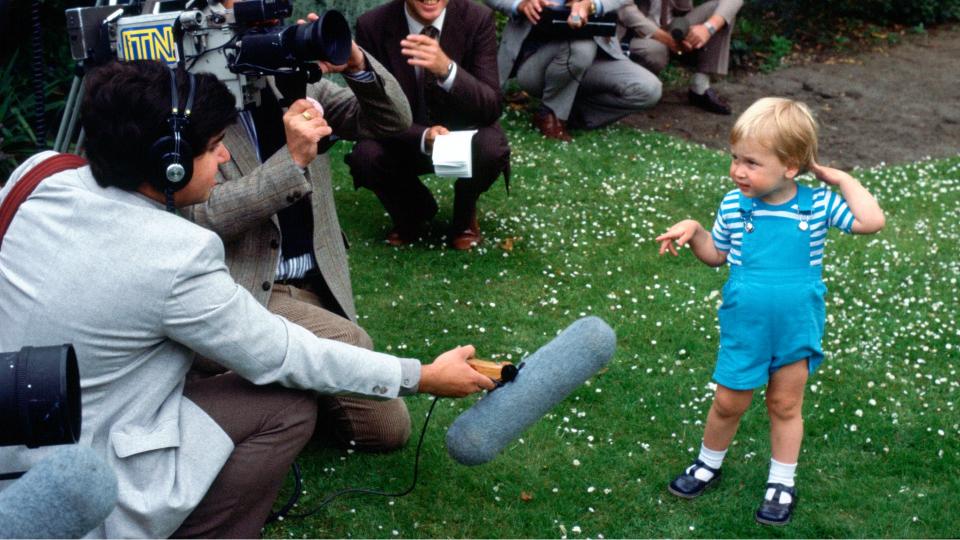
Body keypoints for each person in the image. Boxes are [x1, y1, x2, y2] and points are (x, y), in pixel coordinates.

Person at [0, 60, 495, 538]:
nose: (222, 158)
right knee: (287, 406)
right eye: (215, 146)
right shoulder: (177, 254)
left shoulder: (39, 174)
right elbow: (283, 354)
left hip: (13, 432)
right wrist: (422, 376)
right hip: (85, 481)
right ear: (169, 164)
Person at [184, 4, 417, 453]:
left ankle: (275, 382)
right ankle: (258, 385)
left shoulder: (289, 80)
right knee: (358, 362)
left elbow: (391, 121)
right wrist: (290, 163)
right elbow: (201, 216)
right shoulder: (190, 103)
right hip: (249, 289)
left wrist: (357, 64)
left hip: (317, 282)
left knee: (387, 429)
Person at [655, 97, 884, 525]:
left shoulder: (817, 206)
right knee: (728, 401)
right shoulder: (733, 205)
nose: (738, 170)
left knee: (784, 404)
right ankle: (708, 463)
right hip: (746, 324)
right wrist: (697, 230)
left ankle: (781, 480)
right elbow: (717, 256)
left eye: (752, 163)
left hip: (797, 325)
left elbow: (871, 221)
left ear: (791, 166)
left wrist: (843, 180)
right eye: (735, 158)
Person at [346, 0, 511, 250]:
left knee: (492, 146)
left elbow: (491, 106)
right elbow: (372, 111)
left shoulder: (477, 18)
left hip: (463, 136)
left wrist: (448, 70)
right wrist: (422, 136)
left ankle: (464, 214)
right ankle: (413, 211)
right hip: (404, 137)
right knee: (365, 156)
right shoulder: (373, 25)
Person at [485, 0, 661, 141]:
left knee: (649, 89)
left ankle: (569, 114)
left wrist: (592, 5)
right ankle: (552, 117)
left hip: (595, 60)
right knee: (581, 47)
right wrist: (520, 4)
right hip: (535, 64)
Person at [618, 0, 743, 115]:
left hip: (673, 26)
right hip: (634, 33)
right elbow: (626, 11)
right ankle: (631, 88)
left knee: (722, 12)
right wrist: (666, 39)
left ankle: (699, 89)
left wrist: (707, 28)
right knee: (655, 51)